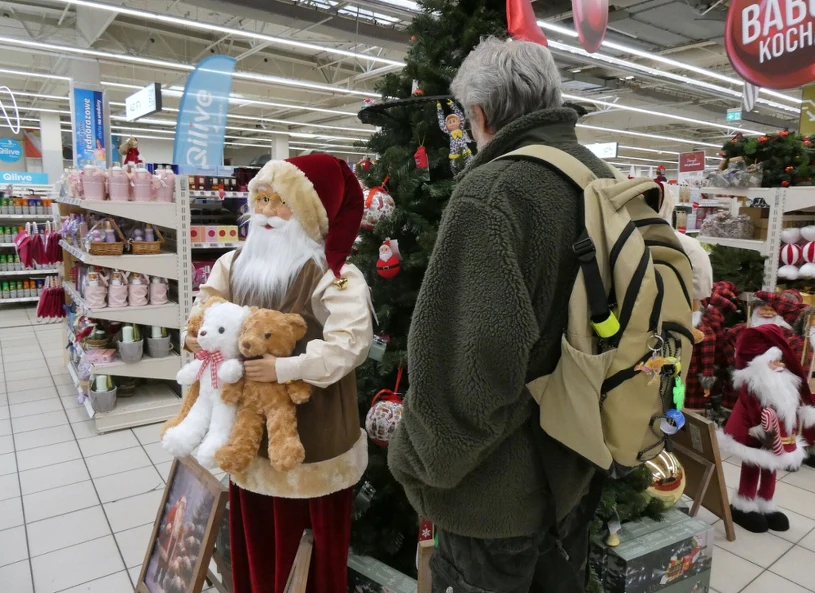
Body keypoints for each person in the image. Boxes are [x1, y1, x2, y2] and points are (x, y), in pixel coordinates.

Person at [388, 37, 615, 593]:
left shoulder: (493, 194)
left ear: (481, 114)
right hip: (577, 468)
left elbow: (471, 366)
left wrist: (417, 459)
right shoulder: (600, 178)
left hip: (496, 498)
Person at [185, 154, 373, 593]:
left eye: (281, 202)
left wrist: (284, 368)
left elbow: (350, 345)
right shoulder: (233, 265)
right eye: (262, 199)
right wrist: (195, 337)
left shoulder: (336, 277)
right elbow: (203, 310)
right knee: (257, 538)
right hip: (246, 434)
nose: (267, 212)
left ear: (310, 213)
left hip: (315, 431)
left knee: (312, 550)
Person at [718, 324, 815, 533]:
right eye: (773, 361)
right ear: (758, 363)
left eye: (780, 359)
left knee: (772, 470)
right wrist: (766, 432)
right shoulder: (754, 384)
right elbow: (755, 413)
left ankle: (766, 504)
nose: (780, 364)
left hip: (777, 436)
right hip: (755, 434)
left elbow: (790, 407)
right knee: (753, 467)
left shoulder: (785, 380)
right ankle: (744, 505)